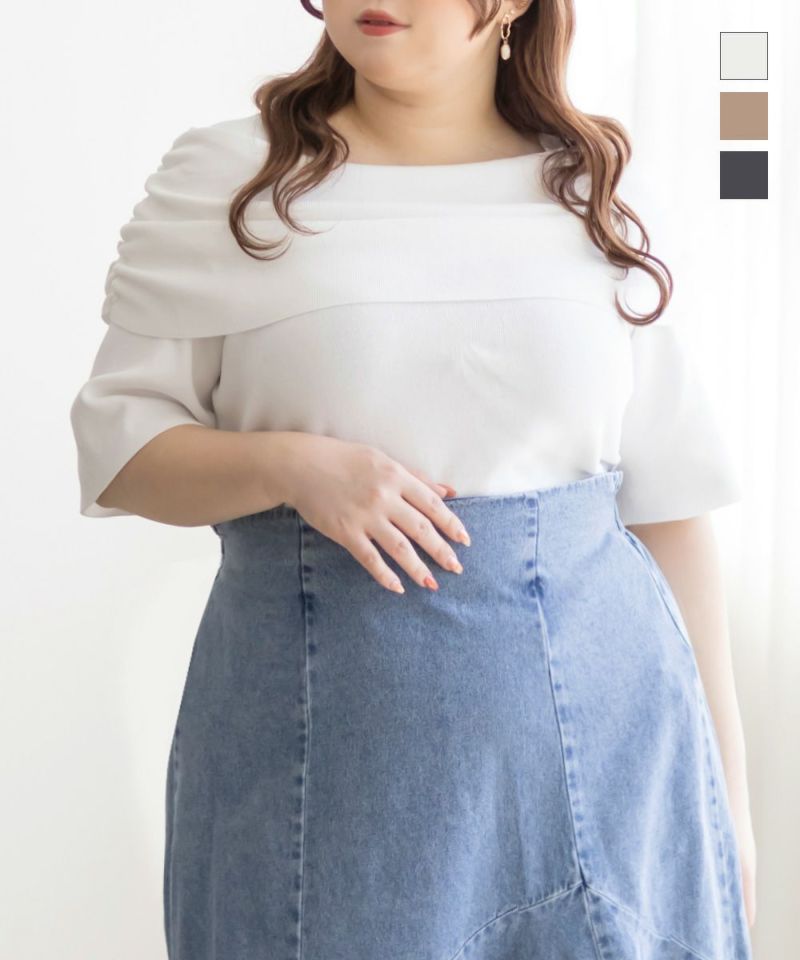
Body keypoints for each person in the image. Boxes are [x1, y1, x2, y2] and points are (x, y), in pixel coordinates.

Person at [70, 1, 756, 957]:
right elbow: (122, 446)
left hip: (616, 749)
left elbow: (670, 508)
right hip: (332, 761)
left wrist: (728, 799)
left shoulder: (596, 184)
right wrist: (290, 466)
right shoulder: (232, 179)